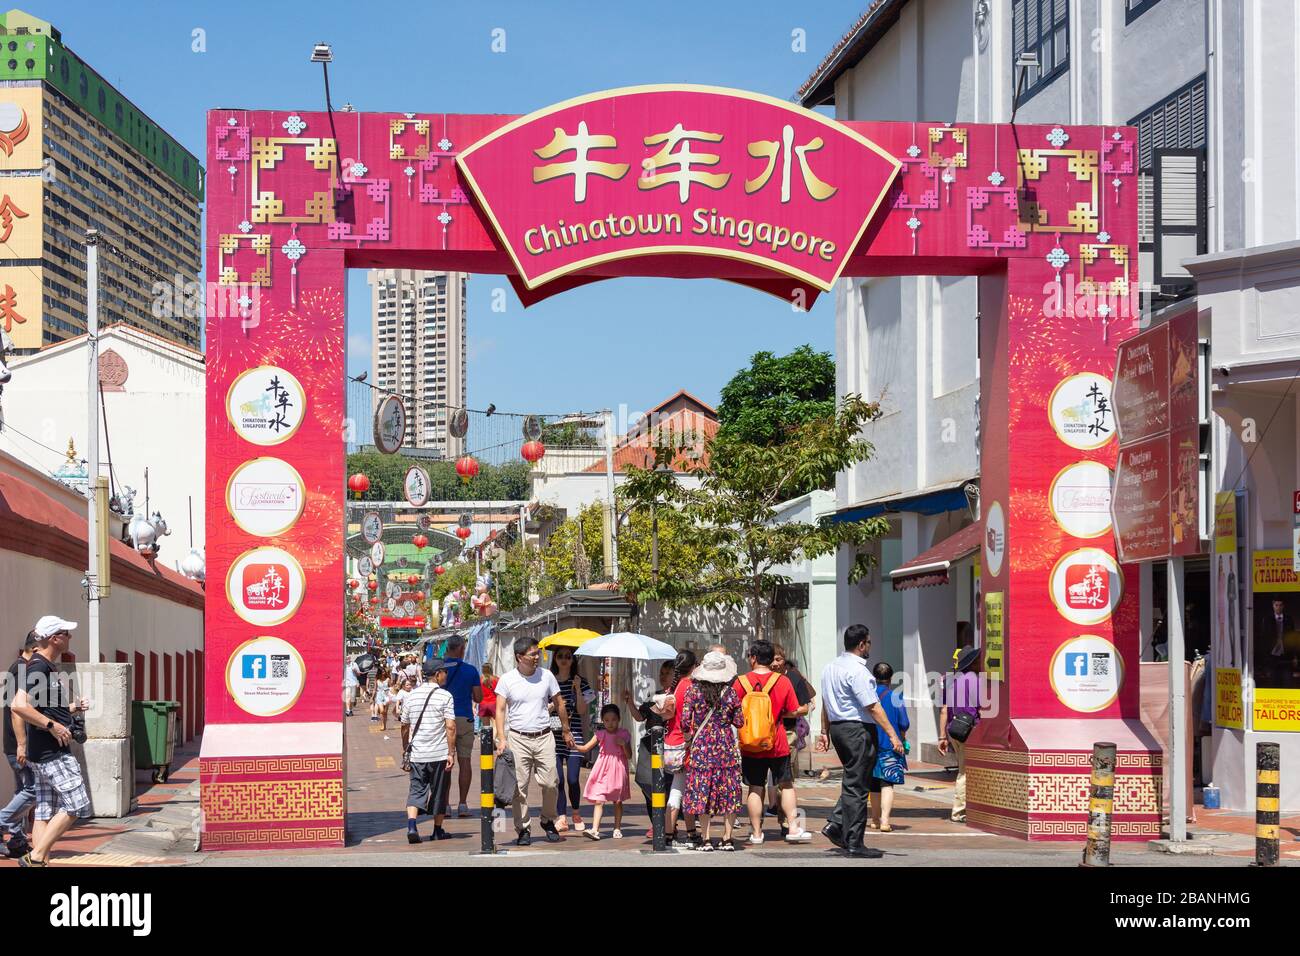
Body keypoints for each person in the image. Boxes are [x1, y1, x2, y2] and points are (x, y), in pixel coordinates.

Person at [10, 616, 93, 867]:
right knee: (78, 805)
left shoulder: (42, 665)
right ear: (55, 638)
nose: (70, 637)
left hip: (41, 753)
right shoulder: (39, 667)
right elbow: (18, 705)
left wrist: (70, 709)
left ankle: (40, 861)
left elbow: (43, 707)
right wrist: (53, 726)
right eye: (66, 633)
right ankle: (35, 857)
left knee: (44, 812)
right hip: (52, 752)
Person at [816, 625, 903, 860]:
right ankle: (854, 841)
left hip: (838, 728)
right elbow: (873, 706)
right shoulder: (859, 672)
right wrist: (893, 735)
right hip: (857, 730)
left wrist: (825, 730)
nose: (869, 648)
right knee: (858, 786)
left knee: (854, 780)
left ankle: (836, 824)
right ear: (862, 644)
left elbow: (826, 702)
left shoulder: (830, 668)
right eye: (869, 643)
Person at [494, 637, 575, 845]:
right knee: (519, 787)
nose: (537, 657)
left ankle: (548, 820)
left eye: (538, 653)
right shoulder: (507, 680)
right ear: (520, 657)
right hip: (518, 738)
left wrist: (566, 730)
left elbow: (559, 703)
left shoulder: (546, 676)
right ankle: (523, 829)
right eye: (533, 654)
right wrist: (501, 738)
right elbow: (500, 709)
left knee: (551, 783)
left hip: (544, 736)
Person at [732, 639, 814, 844]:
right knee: (785, 785)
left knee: (755, 787)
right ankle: (793, 827)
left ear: (753, 658)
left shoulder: (740, 682)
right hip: (777, 741)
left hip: (751, 743)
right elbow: (794, 710)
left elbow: (733, 711)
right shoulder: (783, 681)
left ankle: (757, 833)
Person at [680, 651, 745, 852]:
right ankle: (727, 838)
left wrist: (690, 737)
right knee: (729, 791)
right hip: (725, 747)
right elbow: (740, 721)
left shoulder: (693, 691)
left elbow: (684, 722)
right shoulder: (731, 693)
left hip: (701, 747)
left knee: (702, 790)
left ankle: (706, 838)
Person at [401, 658, 457, 843]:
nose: (446, 675)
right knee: (440, 791)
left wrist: (406, 748)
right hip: (439, 754)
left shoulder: (411, 696)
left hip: (417, 754)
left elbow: (404, 725)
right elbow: (450, 727)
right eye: (444, 672)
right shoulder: (445, 696)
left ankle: (411, 826)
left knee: (416, 789)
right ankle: (437, 830)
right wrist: (451, 752)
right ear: (438, 674)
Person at [625, 659, 677, 827]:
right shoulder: (654, 696)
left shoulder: (678, 697)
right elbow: (640, 717)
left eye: (667, 673)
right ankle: (656, 824)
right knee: (647, 784)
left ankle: (669, 825)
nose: (663, 676)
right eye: (661, 673)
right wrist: (630, 702)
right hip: (650, 747)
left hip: (670, 748)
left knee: (668, 787)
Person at [1, 631, 38, 859]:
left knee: (21, 791)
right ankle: (4, 822)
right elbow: (19, 710)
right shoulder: (23, 670)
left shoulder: (19, 668)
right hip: (18, 745)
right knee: (33, 789)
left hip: (15, 743)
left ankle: (16, 839)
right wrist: (22, 744)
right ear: (35, 649)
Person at [771, 644, 817, 823]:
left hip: (787, 731)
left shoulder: (794, 678)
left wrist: (783, 713)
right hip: (763, 732)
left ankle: (785, 821)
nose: (775, 663)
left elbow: (805, 708)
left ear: (784, 660)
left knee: (785, 776)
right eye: (772, 660)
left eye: (779, 659)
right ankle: (757, 825)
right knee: (762, 780)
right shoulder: (763, 678)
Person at [573, 704, 632, 840]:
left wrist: (624, 744)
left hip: (618, 769)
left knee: (617, 801)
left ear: (619, 719)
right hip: (602, 770)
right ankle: (595, 829)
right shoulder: (600, 734)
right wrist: (574, 745)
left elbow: (629, 756)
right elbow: (586, 748)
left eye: (613, 720)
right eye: (606, 720)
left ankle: (617, 827)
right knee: (599, 800)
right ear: (603, 721)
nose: (610, 723)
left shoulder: (624, 734)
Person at [440, 635, 482, 819]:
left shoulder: (438, 669)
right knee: (465, 762)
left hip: (443, 720)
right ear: (461, 649)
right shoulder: (470, 670)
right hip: (464, 718)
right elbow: (478, 698)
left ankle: (446, 805)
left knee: (445, 763)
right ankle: (463, 804)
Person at [550, 646, 591, 832]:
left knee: (573, 778)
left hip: (575, 733)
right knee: (558, 778)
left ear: (573, 660)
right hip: (554, 734)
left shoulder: (581, 682)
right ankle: (561, 817)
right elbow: (541, 708)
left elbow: (582, 710)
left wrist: (577, 689)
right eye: (560, 656)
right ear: (555, 659)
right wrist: (555, 706)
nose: (564, 660)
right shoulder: (548, 681)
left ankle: (576, 812)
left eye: (568, 656)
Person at [938, 646, 981, 824]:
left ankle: (966, 808)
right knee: (965, 773)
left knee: (964, 770)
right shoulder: (974, 680)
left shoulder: (953, 680)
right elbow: (981, 707)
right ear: (972, 663)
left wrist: (942, 736)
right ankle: (959, 811)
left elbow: (945, 709)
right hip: (968, 730)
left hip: (954, 729)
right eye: (978, 660)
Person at [660, 650, 698, 846]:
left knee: (680, 788)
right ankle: (670, 832)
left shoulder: (675, 688)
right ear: (693, 666)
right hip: (685, 744)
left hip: (671, 743)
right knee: (681, 791)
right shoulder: (690, 687)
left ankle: (688, 831)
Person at [868, 661, 908, 832]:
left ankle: (875, 819)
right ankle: (885, 821)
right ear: (890, 678)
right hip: (891, 746)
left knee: (874, 785)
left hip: (870, 744)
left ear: (874, 677)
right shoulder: (896, 697)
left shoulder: (868, 695)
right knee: (887, 783)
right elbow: (904, 723)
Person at [395, 677, 414, 752]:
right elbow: (398, 701)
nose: (409, 686)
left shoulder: (413, 691)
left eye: (410, 684)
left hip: (412, 712)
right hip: (404, 713)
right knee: (405, 728)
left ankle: (410, 742)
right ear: (403, 686)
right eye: (407, 685)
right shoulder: (401, 692)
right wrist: (397, 709)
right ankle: (405, 744)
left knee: (412, 728)